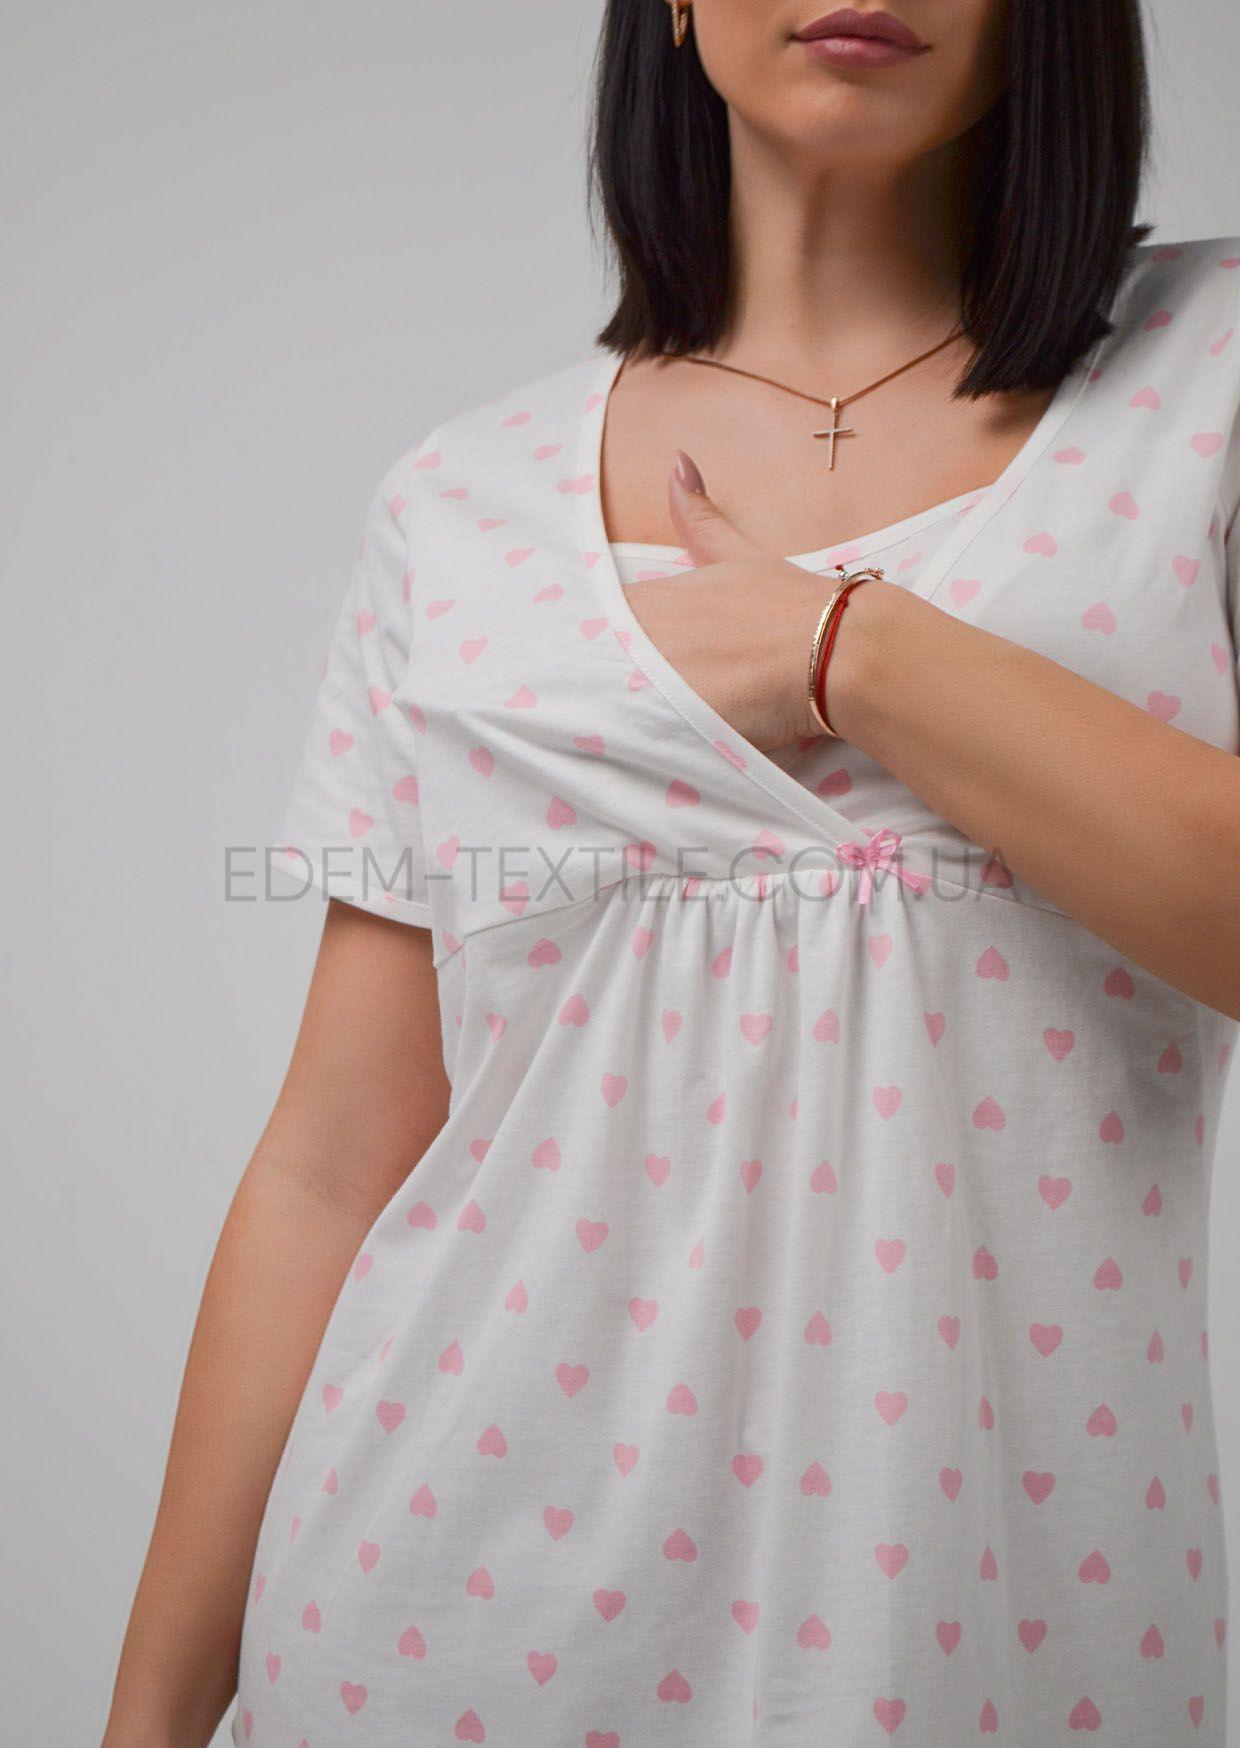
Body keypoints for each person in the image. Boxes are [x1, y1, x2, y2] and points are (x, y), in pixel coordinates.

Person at [103, 2, 1240, 1744]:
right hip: (436, 1620)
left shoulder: (1206, 378)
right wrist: (149, 1721)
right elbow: (333, 1163)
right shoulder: (459, 499)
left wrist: (850, 652)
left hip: (976, 1639)